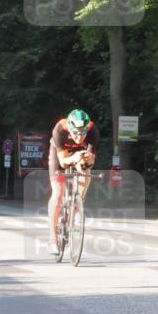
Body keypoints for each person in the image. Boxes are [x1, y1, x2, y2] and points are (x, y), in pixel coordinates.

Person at [48, 109, 99, 254]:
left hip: (79, 154)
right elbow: (63, 162)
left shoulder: (93, 131)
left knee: (86, 171)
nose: (80, 136)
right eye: (76, 132)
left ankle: (77, 204)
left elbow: (91, 161)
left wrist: (86, 159)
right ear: (70, 128)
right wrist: (75, 158)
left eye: (83, 132)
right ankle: (52, 238)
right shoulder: (60, 129)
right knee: (58, 193)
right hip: (61, 155)